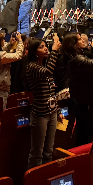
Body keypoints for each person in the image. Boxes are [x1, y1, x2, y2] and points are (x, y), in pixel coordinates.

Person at [25, 34, 62, 169]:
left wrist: (57, 110)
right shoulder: (32, 67)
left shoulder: (42, 65)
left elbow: (50, 92)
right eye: (42, 47)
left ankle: (47, 177)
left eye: (46, 47)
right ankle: (34, 181)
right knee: (37, 153)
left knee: (48, 151)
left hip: (51, 112)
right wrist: (54, 50)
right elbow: (48, 73)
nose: (46, 49)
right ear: (35, 52)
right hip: (40, 114)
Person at [67, 30, 93, 146]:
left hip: (86, 99)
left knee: (89, 131)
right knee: (86, 133)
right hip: (83, 101)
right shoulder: (77, 59)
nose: (83, 39)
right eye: (79, 39)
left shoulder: (81, 55)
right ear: (73, 44)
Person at [54, 32, 78, 97]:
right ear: (74, 44)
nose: (83, 41)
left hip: (69, 90)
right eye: (80, 39)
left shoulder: (68, 56)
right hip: (66, 92)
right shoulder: (65, 58)